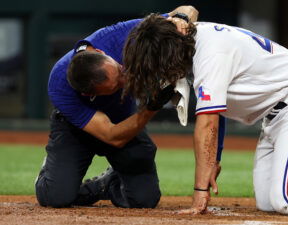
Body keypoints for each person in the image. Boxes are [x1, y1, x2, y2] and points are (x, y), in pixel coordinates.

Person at [121, 14, 288, 216]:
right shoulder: (191, 40)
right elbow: (215, 114)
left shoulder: (211, 53)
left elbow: (207, 122)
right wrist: (213, 160)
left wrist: (200, 192)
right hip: (277, 115)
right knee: (268, 201)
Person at [34, 6, 198, 208]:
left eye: (120, 71)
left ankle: (106, 185)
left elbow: (189, 9)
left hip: (123, 117)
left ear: (102, 53)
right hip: (76, 129)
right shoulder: (60, 87)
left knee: (143, 200)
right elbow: (112, 136)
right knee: (55, 197)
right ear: (90, 94)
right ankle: (51, 175)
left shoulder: (121, 36)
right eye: (118, 84)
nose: (126, 79)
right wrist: (151, 107)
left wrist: (181, 18)